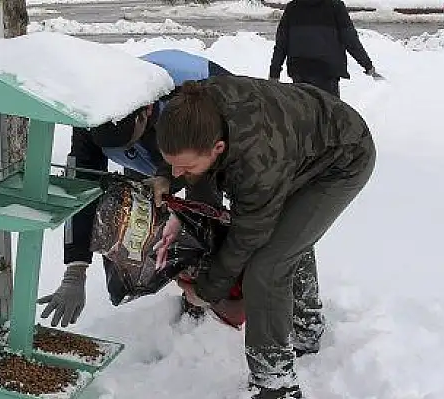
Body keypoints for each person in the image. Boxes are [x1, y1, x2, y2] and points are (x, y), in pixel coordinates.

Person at [152, 76, 376, 399]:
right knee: (287, 240)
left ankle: (275, 384)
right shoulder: (194, 109)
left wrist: (207, 291)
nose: (177, 174)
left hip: (342, 158)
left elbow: (248, 237)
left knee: (269, 265)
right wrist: (164, 176)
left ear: (218, 148)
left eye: (184, 166)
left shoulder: (257, 163)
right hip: (299, 146)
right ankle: (305, 325)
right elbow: (180, 144)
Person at [37, 49, 234, 328]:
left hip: (202, 131)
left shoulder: (186, 97)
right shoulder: (88, 112)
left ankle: (213, 301)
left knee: (204, 211)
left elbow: (211, 170)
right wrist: (76, 269)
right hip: (149, 138)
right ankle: (183, 279)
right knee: (139, 210)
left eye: (129, 144)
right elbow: (80, 188)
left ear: (146, 113)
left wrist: (168, 177)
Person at [268, 0, 382, 97]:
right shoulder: (335, 6)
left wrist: (274, 73)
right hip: (327, 72)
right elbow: (350, 40)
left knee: (305, 114)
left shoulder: (292, 8)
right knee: (330, 116)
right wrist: (367, 65)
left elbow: (281, 44)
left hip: (299, 70)